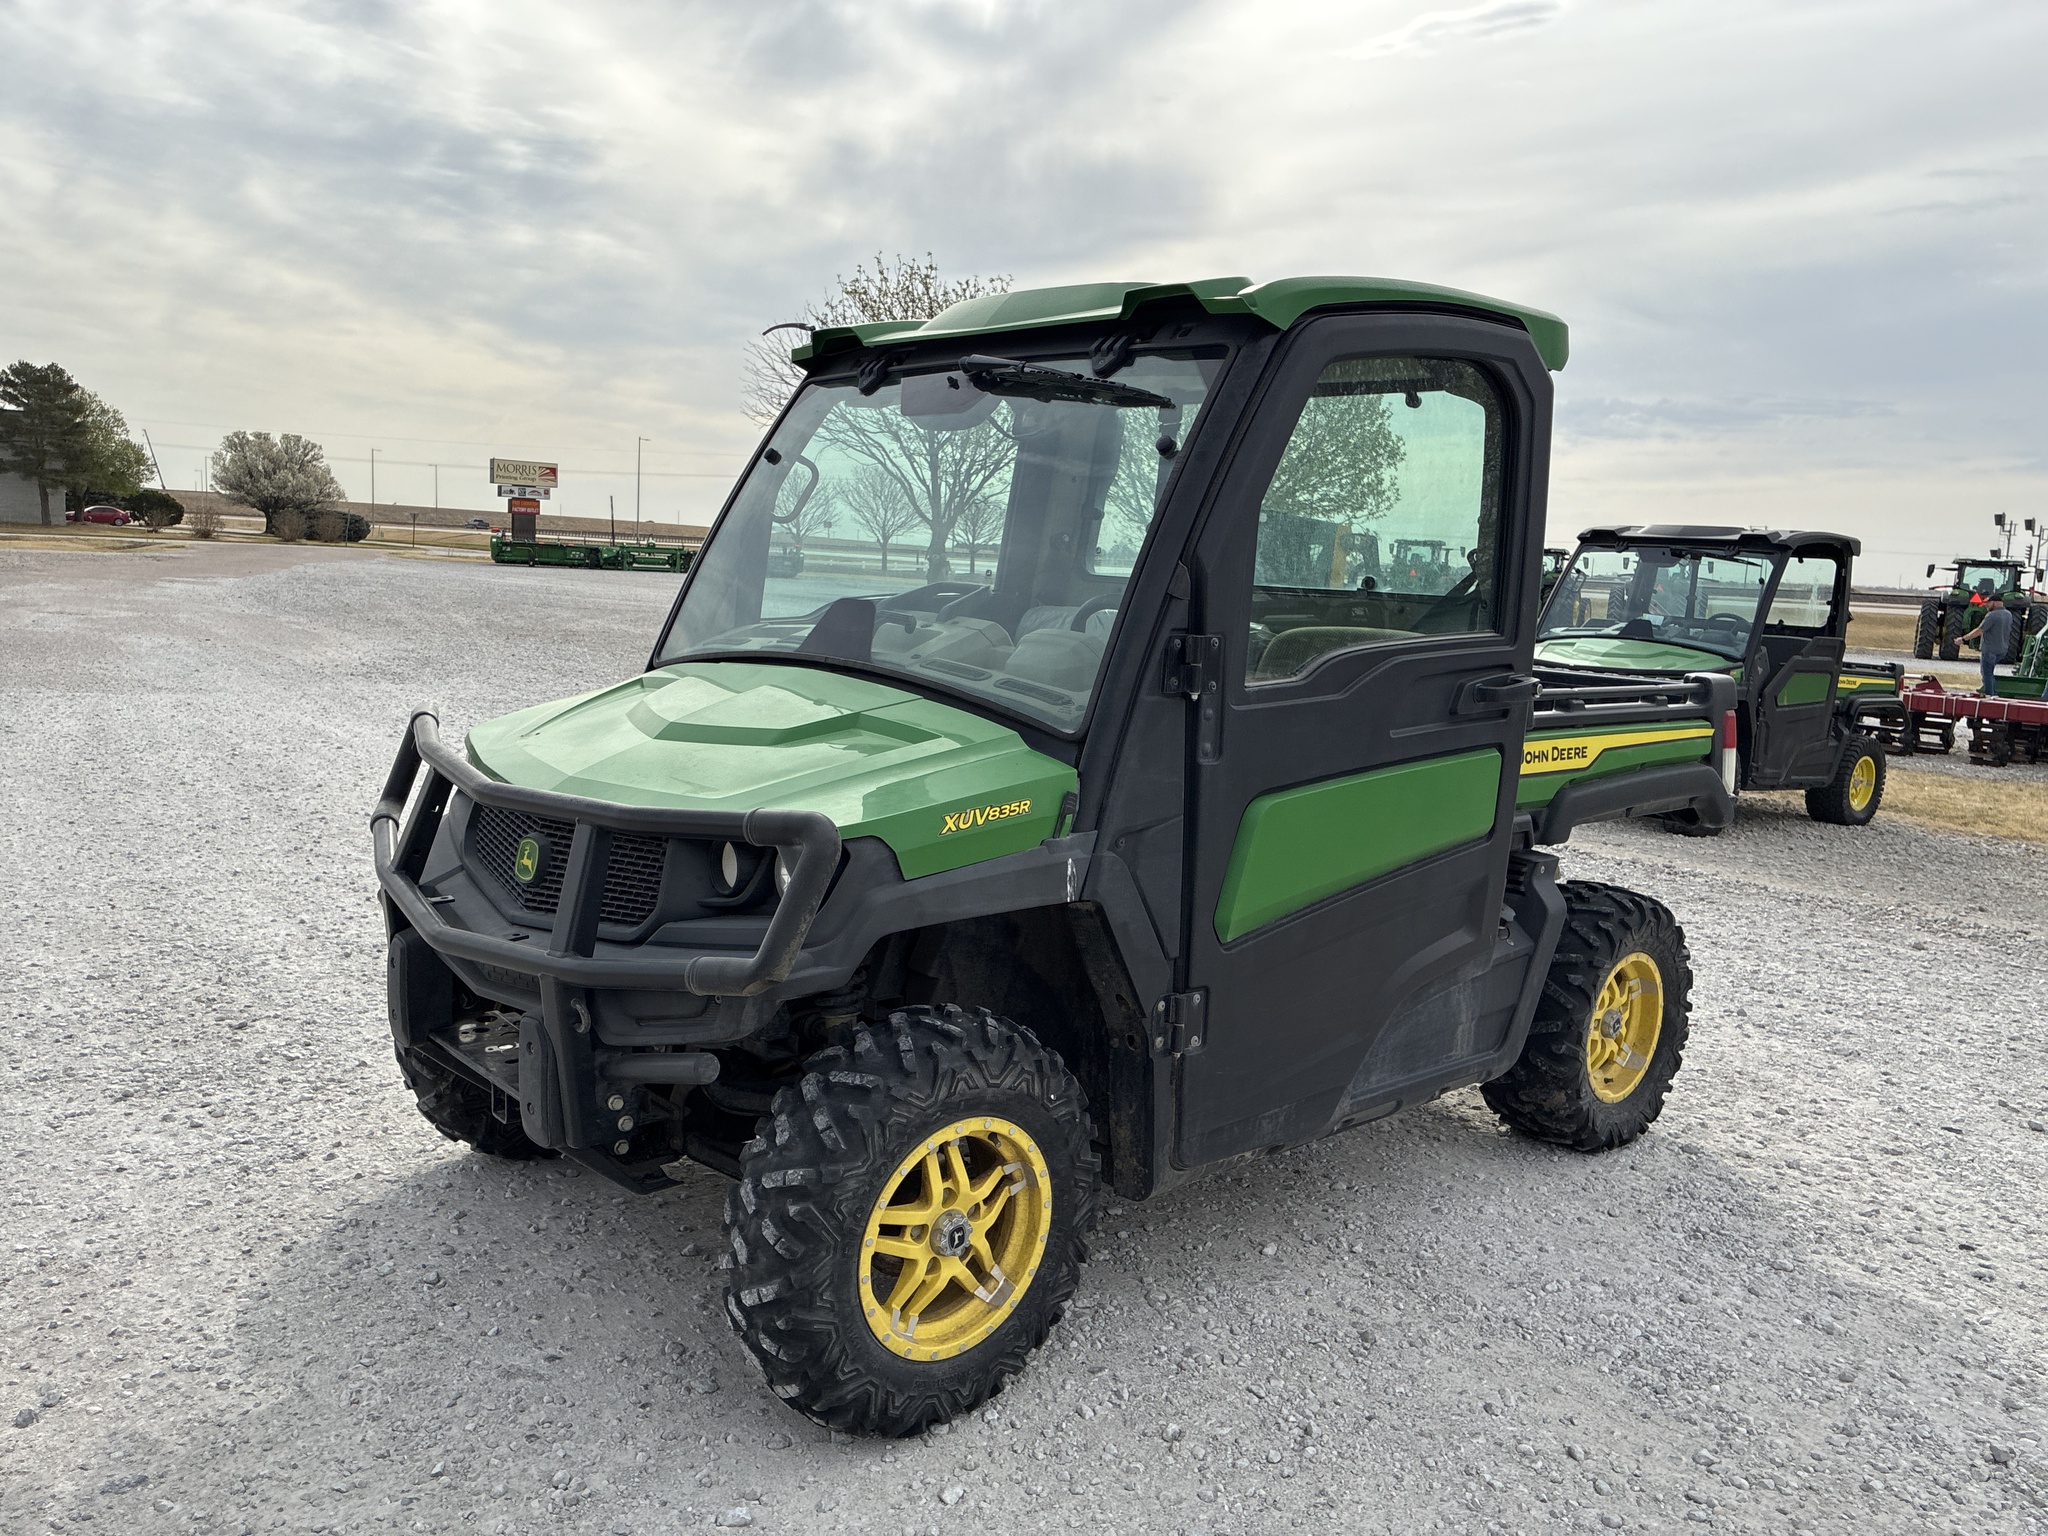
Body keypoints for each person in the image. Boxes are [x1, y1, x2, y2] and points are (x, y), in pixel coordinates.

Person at [1962, 595, 2017, 695]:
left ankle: (1989, 696)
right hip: (2002, 650)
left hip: (1990, 650)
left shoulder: (1992, 615)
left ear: (1994, 603)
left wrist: (1963, 639)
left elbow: (1979, 630)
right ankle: (1993, 694)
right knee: (1990, 673)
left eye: (1988, 603)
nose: (1986, 605)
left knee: (1987, 674)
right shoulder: (2008, 614)